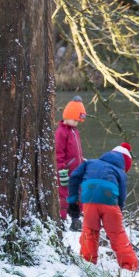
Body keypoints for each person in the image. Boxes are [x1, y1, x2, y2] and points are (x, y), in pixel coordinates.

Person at [66, 143, 139, 271]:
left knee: (89, 231)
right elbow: (122, 195)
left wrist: (72, 201)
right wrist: (119, 211)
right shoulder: (120, 173)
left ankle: (87, 262)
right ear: (124, 163)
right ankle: (130, 267)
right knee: (117, 234)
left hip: (89, 200)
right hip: (110, 203)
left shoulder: (90, 163)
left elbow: (74, 177)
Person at [55, 96, 86, 231]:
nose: (76, 123)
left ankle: (75, 219)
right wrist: (61, 169)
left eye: (78, 121)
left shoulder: (75, 131)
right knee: (64, 195)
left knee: (77, 194)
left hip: (77, 170)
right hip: (66, 171)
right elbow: (58, 153)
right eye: (75, 120)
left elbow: (77, 152)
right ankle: (61, 220)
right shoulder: (61, 132)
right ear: (68, 116)